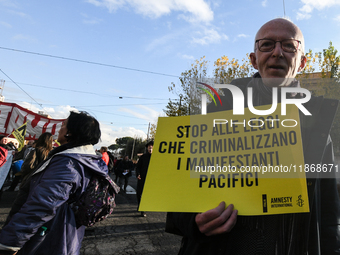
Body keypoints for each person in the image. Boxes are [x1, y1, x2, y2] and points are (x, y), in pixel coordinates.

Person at [166, 18, 340, 254]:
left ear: (302, 63)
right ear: (253, 59)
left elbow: (328, 216)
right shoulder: (216, 111)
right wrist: (194, 223)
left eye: (289, 45)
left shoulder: (318, 127)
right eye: (267, 44)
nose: (277, 52)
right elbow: (176, 199)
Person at [0, 111, 108, 255]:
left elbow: (42, 204)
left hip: (46, 238)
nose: (59, 129)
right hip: (65, 234)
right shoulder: (86, 160)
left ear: (70, 132)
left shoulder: (68, 164)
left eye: (63, 125)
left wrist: (10, 242)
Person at [136, 140, 153, 217]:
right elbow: (138, 167)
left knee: (147, 194)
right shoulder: (143, 157)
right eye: (149, 147)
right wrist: (138, 174)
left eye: (152, 147)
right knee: (139, 193)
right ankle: (140, 206)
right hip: (142, 178)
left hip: (151, 179)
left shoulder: (157, 158)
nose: (150, 148)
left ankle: (143, 209)